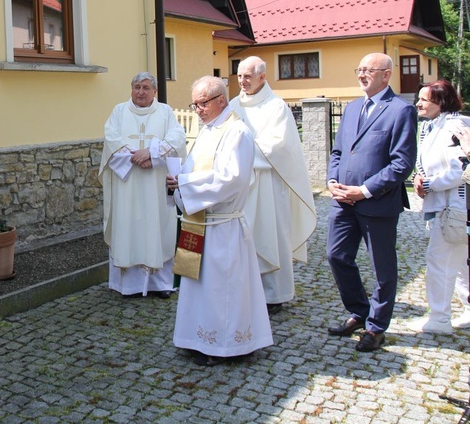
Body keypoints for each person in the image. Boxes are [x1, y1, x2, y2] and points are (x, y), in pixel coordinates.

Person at [167, 75, 273, 366]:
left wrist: (185, 184)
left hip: (223, 224)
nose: (198, 109)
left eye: (202, 103)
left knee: (221, 289)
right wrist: (178, 181)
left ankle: (223, 346)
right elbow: (192, 168)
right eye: (195, 104)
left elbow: (231, 179)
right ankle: (197, 337)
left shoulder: (236, 132)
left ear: (221, 100)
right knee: (198, 285)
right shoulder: (208, 131)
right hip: (199, 221)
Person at [326, 53, 417, 352]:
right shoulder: (352, 108)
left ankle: (376, 327)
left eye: (368, 70)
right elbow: (338, 151)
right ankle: (359, 311)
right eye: (359, 69)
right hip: (343, 203)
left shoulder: (400, 110)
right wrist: (331, 181)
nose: (362, 74)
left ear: (386, 75)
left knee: (382, 268)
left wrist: (363, 190)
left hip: (376, 203)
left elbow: (402, 163)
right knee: (337, 256)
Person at [228, 56, 317, 314]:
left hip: (267, 182)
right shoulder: (234, 105)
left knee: (271, 235)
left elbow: (278, 146)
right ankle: (245, 291)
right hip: (242, 183)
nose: (243, 81)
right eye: (240, 76)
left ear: (262, 77)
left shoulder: (277, 107)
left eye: (248, 76)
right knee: (244, 237)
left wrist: (241, 153)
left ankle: (275, 295)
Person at [99, 72, 187, 298]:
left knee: (156, 227)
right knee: (128, 226)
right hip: (126, 183)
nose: (140, 92)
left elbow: (177, 138)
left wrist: (152, 154)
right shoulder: (119, 111)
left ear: (154, 91)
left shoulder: (165, 112)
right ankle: (128, 286)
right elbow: (111, 138)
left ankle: (160, 285)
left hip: (155, 184)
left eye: (146, 87)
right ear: (131, 89)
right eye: (137, 87)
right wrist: (136, 157)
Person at [406, 80, 470, 333]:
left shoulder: (454, 127)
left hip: (453, 207)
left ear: (441, 102)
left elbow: (460, 171)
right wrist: (420, 178)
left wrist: (429, 184)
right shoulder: (436, 126)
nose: (418, 104)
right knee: (461, 261)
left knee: (439, 261)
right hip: (449, 206)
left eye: (425, 99)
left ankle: (440, 318)